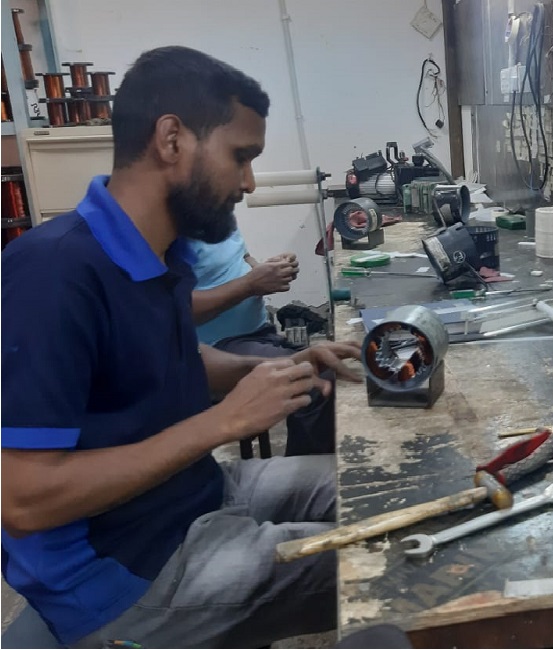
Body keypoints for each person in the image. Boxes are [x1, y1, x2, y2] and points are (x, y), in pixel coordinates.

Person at [0, 46, 400, 649]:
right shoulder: (52, 274)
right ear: (172, 140)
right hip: (125, 573)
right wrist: (222, 423)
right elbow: (23, 501)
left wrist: (278, 366)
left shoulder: (160, 250)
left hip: (193, 494)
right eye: (240, 156)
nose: (248, 182)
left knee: (385, 486)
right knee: (398, 561)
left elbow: (169, 361)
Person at [187, 227, 356, 456]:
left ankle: (312, 465)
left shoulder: (218, 217)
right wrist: (249, 285)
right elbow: (178, 312)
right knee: (316, 381)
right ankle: (307, 472)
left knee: (338, 363)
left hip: (259, 331)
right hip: (216, 348)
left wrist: (271, 272)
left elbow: (243, 259)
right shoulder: (173, 234)